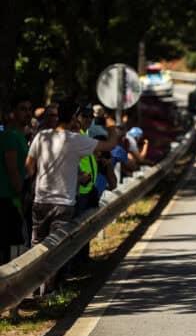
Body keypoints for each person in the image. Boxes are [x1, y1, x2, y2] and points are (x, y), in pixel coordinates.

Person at [25, 101, 117, 246]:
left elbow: (29, 165)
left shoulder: (42, 136)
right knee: (59, 246)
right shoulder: (76, 139)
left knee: (37, 245)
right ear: (74, 118)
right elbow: (110, 145)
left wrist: (38, 183)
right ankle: (59, 270)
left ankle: (39, 269)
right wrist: (111, 126)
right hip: (64, 204)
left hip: (41, 201)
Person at [0, 96, 32, 263]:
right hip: (7, 200)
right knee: (6, 247)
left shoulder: (20, 136)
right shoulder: (9, 136)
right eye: (22, 109)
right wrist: (20, 195)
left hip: (15, 200)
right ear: (12, 113)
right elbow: (12, 169)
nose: (27, 113)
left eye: (29, 109)